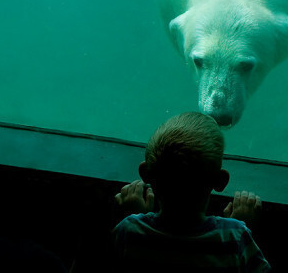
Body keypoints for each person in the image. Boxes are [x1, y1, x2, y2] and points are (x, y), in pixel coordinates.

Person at [112, 112, 271, 271]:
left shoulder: (128, 230)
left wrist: (133, 217)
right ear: (220, 181)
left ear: (145, 173)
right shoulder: (235, 237)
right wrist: (244, 226)